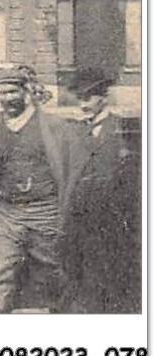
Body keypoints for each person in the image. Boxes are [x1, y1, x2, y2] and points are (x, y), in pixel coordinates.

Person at [0, 68, 81, 312]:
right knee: (0, 277)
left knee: (56, 275)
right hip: (9, 213)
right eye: (1, 93)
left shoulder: (53, 127)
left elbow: (70, 170)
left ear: (26, 92)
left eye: (12, 92)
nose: (7, 99)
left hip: (46, 212)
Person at [59, 67, 140, 313]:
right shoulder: (72, 130)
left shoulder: (124, 130)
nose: (83, 103)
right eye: (80, 97)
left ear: (103, 97)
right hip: (78, 220)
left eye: (89, 97)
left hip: (114, 222)